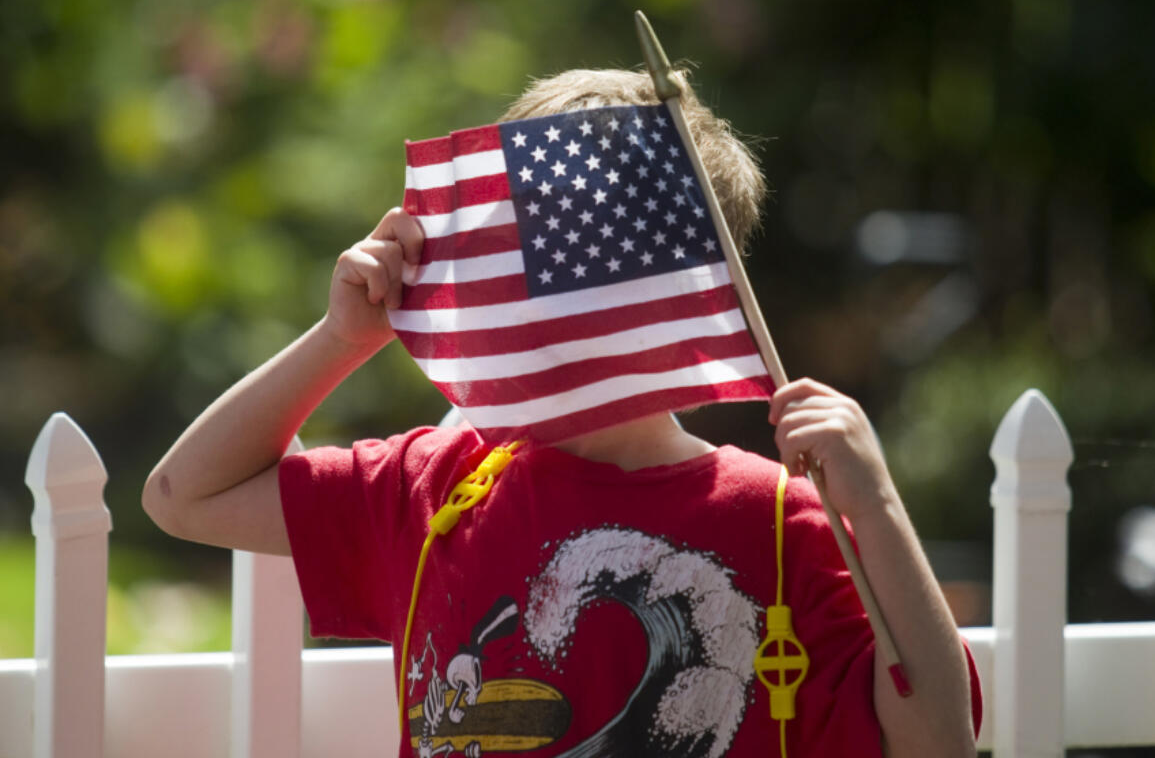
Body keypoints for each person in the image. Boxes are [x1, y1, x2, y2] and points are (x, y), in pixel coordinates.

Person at [144, 69, 981, 757]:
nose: (507, 285)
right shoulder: (434, 489)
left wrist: (873, 504)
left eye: (538, 258)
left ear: (679, 293)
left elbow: (938, 740)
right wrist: (340, 338)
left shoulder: (776, 517)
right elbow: (183, 495)